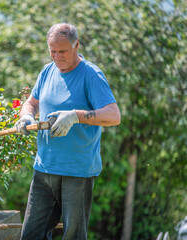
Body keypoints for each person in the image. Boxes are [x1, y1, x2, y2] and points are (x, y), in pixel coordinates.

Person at [15, 23, 121, 240]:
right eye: (52, 50)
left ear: (76, 45)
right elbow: (32, 103)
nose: (56, 56)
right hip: (44, 169)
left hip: (77, 171)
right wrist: (26, 115)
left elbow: (113, 116)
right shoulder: (47, 71)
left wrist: (76, 115)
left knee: (72, 236)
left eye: (62, 51)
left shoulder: (91, 75)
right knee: (31, 235)